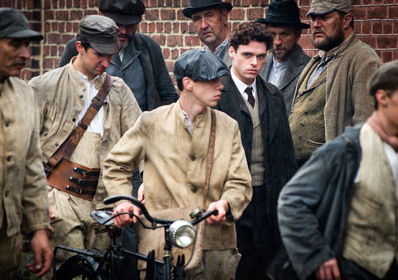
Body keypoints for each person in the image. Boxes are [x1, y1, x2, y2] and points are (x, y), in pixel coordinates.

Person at [103, 49, 252, 279]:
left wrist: (226, 203)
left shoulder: (228, 126)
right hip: (163, 244)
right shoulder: (151, 122)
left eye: (220, 80)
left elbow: (240, 181)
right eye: (212, 80)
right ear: (188, 83)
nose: (220, 86)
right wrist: (123, 200)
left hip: (214, 247)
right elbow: (116, 164)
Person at [29, 15, 141, 269]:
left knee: (101, 270)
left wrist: (135, 193)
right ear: (80, 47)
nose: (106, 62)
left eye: (111, 55)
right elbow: (25, 151)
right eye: (99, 55)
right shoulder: (43, 86)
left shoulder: (119, 90)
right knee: (69, 268)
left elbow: (141, 142)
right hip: (59, 198)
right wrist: (36, 204)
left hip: (104, 201)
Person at [278, 60, 398, 280]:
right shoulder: (345, 150)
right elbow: (292, 201)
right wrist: (316, 255)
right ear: (383, 98)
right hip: (356, 269)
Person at [216, 22, 297, 280]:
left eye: (261, 56)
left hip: (267, 199)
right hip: (228, 198)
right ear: (232, 52)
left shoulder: (273, 96)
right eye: (247, 55)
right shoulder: (216, 95)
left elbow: (285, 156)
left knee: (264, 268)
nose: (255, 63)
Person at [0, 8, 52, 279]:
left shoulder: (24, 94)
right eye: (14, 44)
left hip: (4, 241)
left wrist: (39, 229)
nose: (25, 54)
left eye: (27, 45)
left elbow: (32, 166)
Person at [289, 0, 382, 167]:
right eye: (313, 18)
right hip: (300, 170)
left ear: (346, 20)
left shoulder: (363, 60)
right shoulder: (319, 59)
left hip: (331, 170)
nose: (316, 25)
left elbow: (365, 128)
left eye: (324, 17)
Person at [59, 0, 178, 111]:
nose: (124, 31)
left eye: (130, 25)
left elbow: (168, 95)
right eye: (118, 24)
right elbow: (60, 90)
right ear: (102, 16)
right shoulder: (79, 47)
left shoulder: (148, 47)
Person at [257, 0, 311, 115]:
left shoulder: (309, 69)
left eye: (284, 34)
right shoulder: (258, 64)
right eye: (272, 34)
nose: (277, 41)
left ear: (297, 35)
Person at [183, 0, 233, 67]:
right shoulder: (195, 61)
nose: (203, 26)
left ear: (224, 16)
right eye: (197, 19)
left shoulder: (242, 52)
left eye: (209, 16)